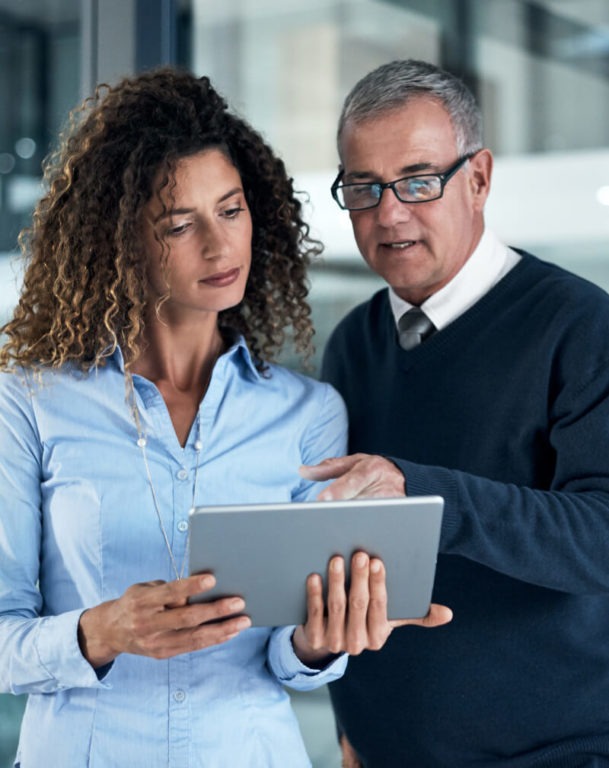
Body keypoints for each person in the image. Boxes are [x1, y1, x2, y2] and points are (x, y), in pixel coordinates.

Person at [0, 67, 450, 768]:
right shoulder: (30, 402)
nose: (219, 246)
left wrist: (322, 637)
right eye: (179, 225)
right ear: (119, 245)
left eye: (231, 210)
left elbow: (287, 655)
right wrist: (103, 630)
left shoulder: (306, 413)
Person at [300, 58, 609, 767]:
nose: (388, 212)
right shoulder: (352, 345)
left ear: (477, 178)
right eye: (363, 188)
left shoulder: (579, 327)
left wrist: (420, 491)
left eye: (417, 180)